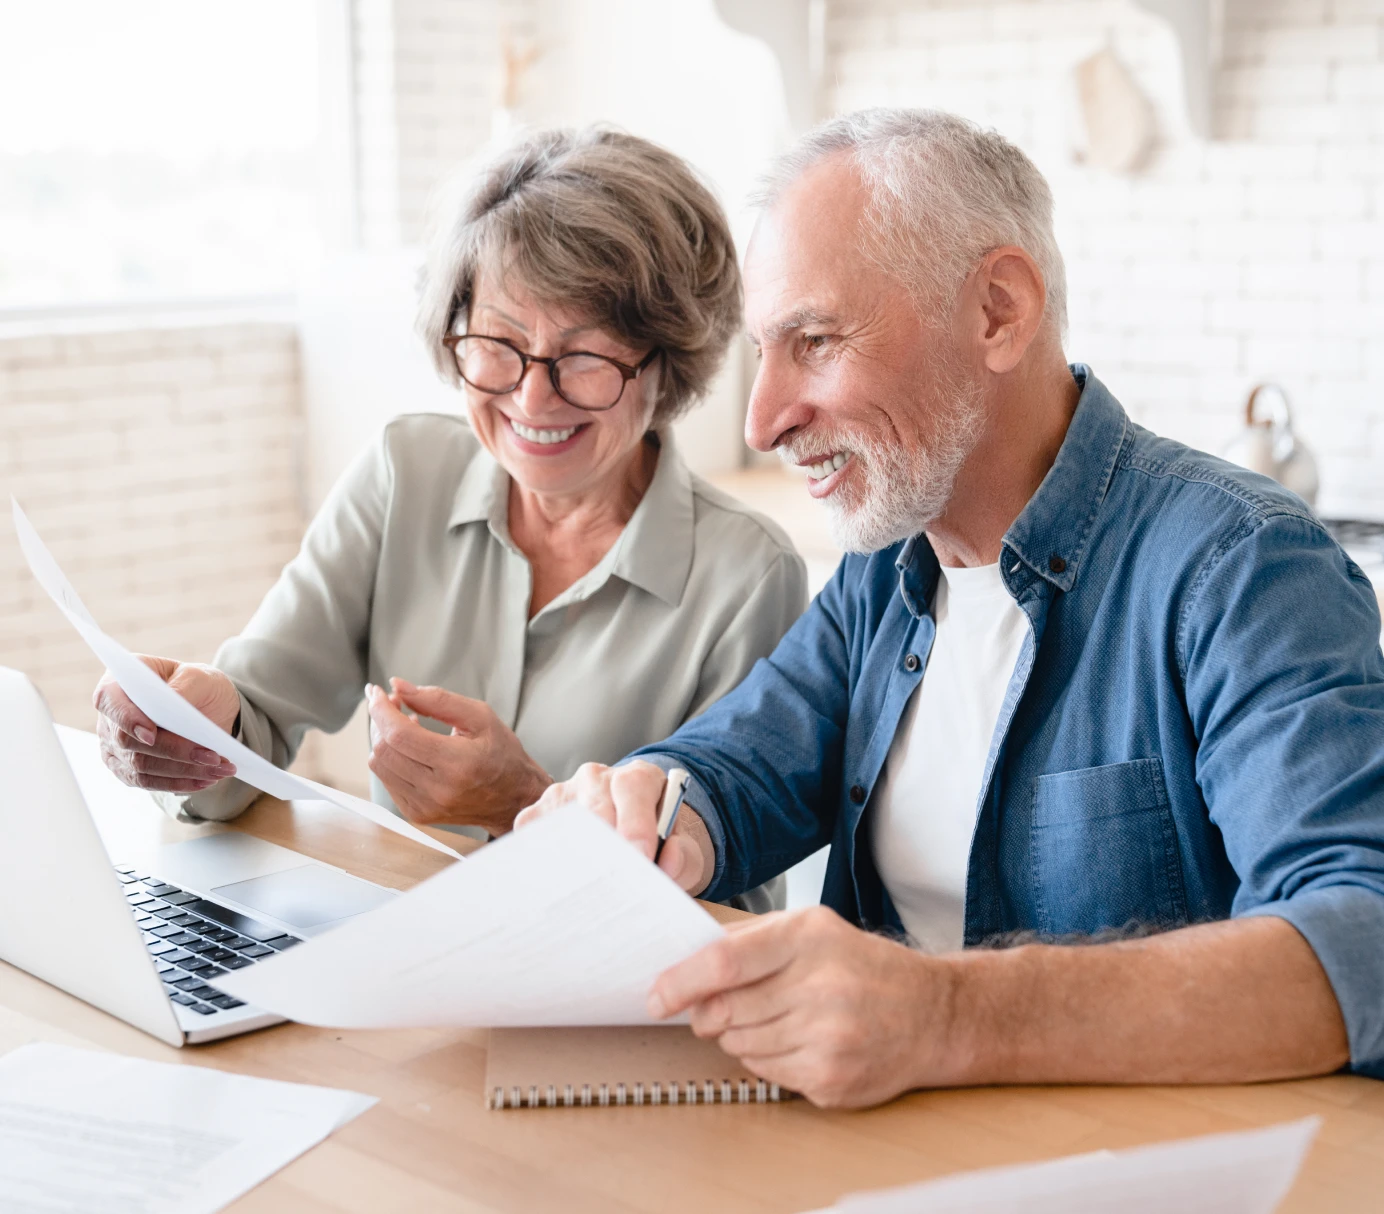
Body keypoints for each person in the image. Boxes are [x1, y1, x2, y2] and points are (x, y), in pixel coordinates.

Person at [517, 108, 1384, 1105]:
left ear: (997, 312)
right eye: (764, 350)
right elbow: (742, 765)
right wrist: (652, 804)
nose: (763, 420)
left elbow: (1361, 937)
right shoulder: (888, 564)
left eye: (815, 340)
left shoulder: (1240, 564)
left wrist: (946, 1014)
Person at [93, 127, 806, 911]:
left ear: (666, 362)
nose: (532, 398)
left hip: (594, 980)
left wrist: (521, 804)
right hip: (396, 947)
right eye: (499, 342)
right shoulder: (404, 474)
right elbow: (255, 718)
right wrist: (190, 729)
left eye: (584, 356)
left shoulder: (748, 574)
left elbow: (732, 911)